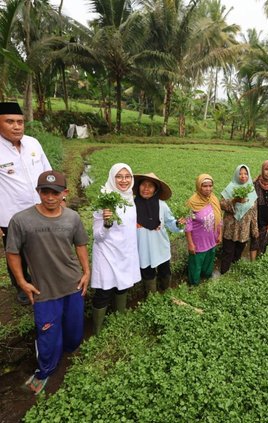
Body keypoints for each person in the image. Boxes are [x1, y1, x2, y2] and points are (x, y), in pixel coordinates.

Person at [5, 170, 90, 395]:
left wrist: (86, 272)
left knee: (73, 332)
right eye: (45, 192)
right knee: (48, 335)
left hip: (72, 285)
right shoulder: (21, 220)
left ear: (65, 193)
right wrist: (22, 282)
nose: (50, 197)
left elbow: (80, 245)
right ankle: (46, 370)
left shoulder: (72, 217)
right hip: (44, 291)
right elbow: (12, 253)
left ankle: (71, 353)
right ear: (38, 192)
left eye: (55, 192)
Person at [0, 102, 51, 305]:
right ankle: (22, 285)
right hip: (10, 215)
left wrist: (61, 199)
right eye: (10, 121)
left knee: (42, 247)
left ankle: (42, 280)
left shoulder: (33, 143)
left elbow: (48, 172)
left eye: (20, 122)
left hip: (40, 209)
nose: (16, 126)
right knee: (15, 252)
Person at [91, 163, 140, 335]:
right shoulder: (105, 200)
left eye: (127, 176)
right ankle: (96, 330)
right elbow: (97, 236)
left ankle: (119, 319)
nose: (124, 180)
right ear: (112, 178)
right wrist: (106, 223)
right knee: (104, 291)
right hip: (107, 253)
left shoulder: (130, 198)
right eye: (119, 176)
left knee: (123, 287)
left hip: (125, 252)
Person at [134, 172, 184, 293]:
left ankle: (166, 292)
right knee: (147, 273)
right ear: (138, 186)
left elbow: (170, 222)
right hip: (143, 248)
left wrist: (178, 223)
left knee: (165, 271)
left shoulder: (162, 206)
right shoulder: (131, 206)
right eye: (143, 185)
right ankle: (152, 297)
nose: (146, 189)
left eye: (150, 186)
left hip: (160, 246)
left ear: (155, 190)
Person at [220, 164, 259, 274]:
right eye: (240, 173)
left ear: (248, 175)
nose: (243, 176)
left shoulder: (251, 190)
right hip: (230, 228)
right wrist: (234, 200)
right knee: (227, 253)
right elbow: (221, 204)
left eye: (245, 174)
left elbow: (254, 212)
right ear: (236, 175)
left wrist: (254, 230)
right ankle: (223, 274)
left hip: (244, 229)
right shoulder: (230, 188)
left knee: (238, 252)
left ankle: (232, 275)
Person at [185, 174, 222, 286]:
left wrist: (219, 234)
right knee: (195, 266)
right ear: (198, 187)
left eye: (210, 186)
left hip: (212, 240)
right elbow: (188, 225)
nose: (208, 189)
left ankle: (206, 282)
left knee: (208, 264)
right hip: (198, 243)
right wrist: (190, 243)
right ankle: (194, 285)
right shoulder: (192, 203)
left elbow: (219, 218)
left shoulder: (213, 199)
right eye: (205, 186)